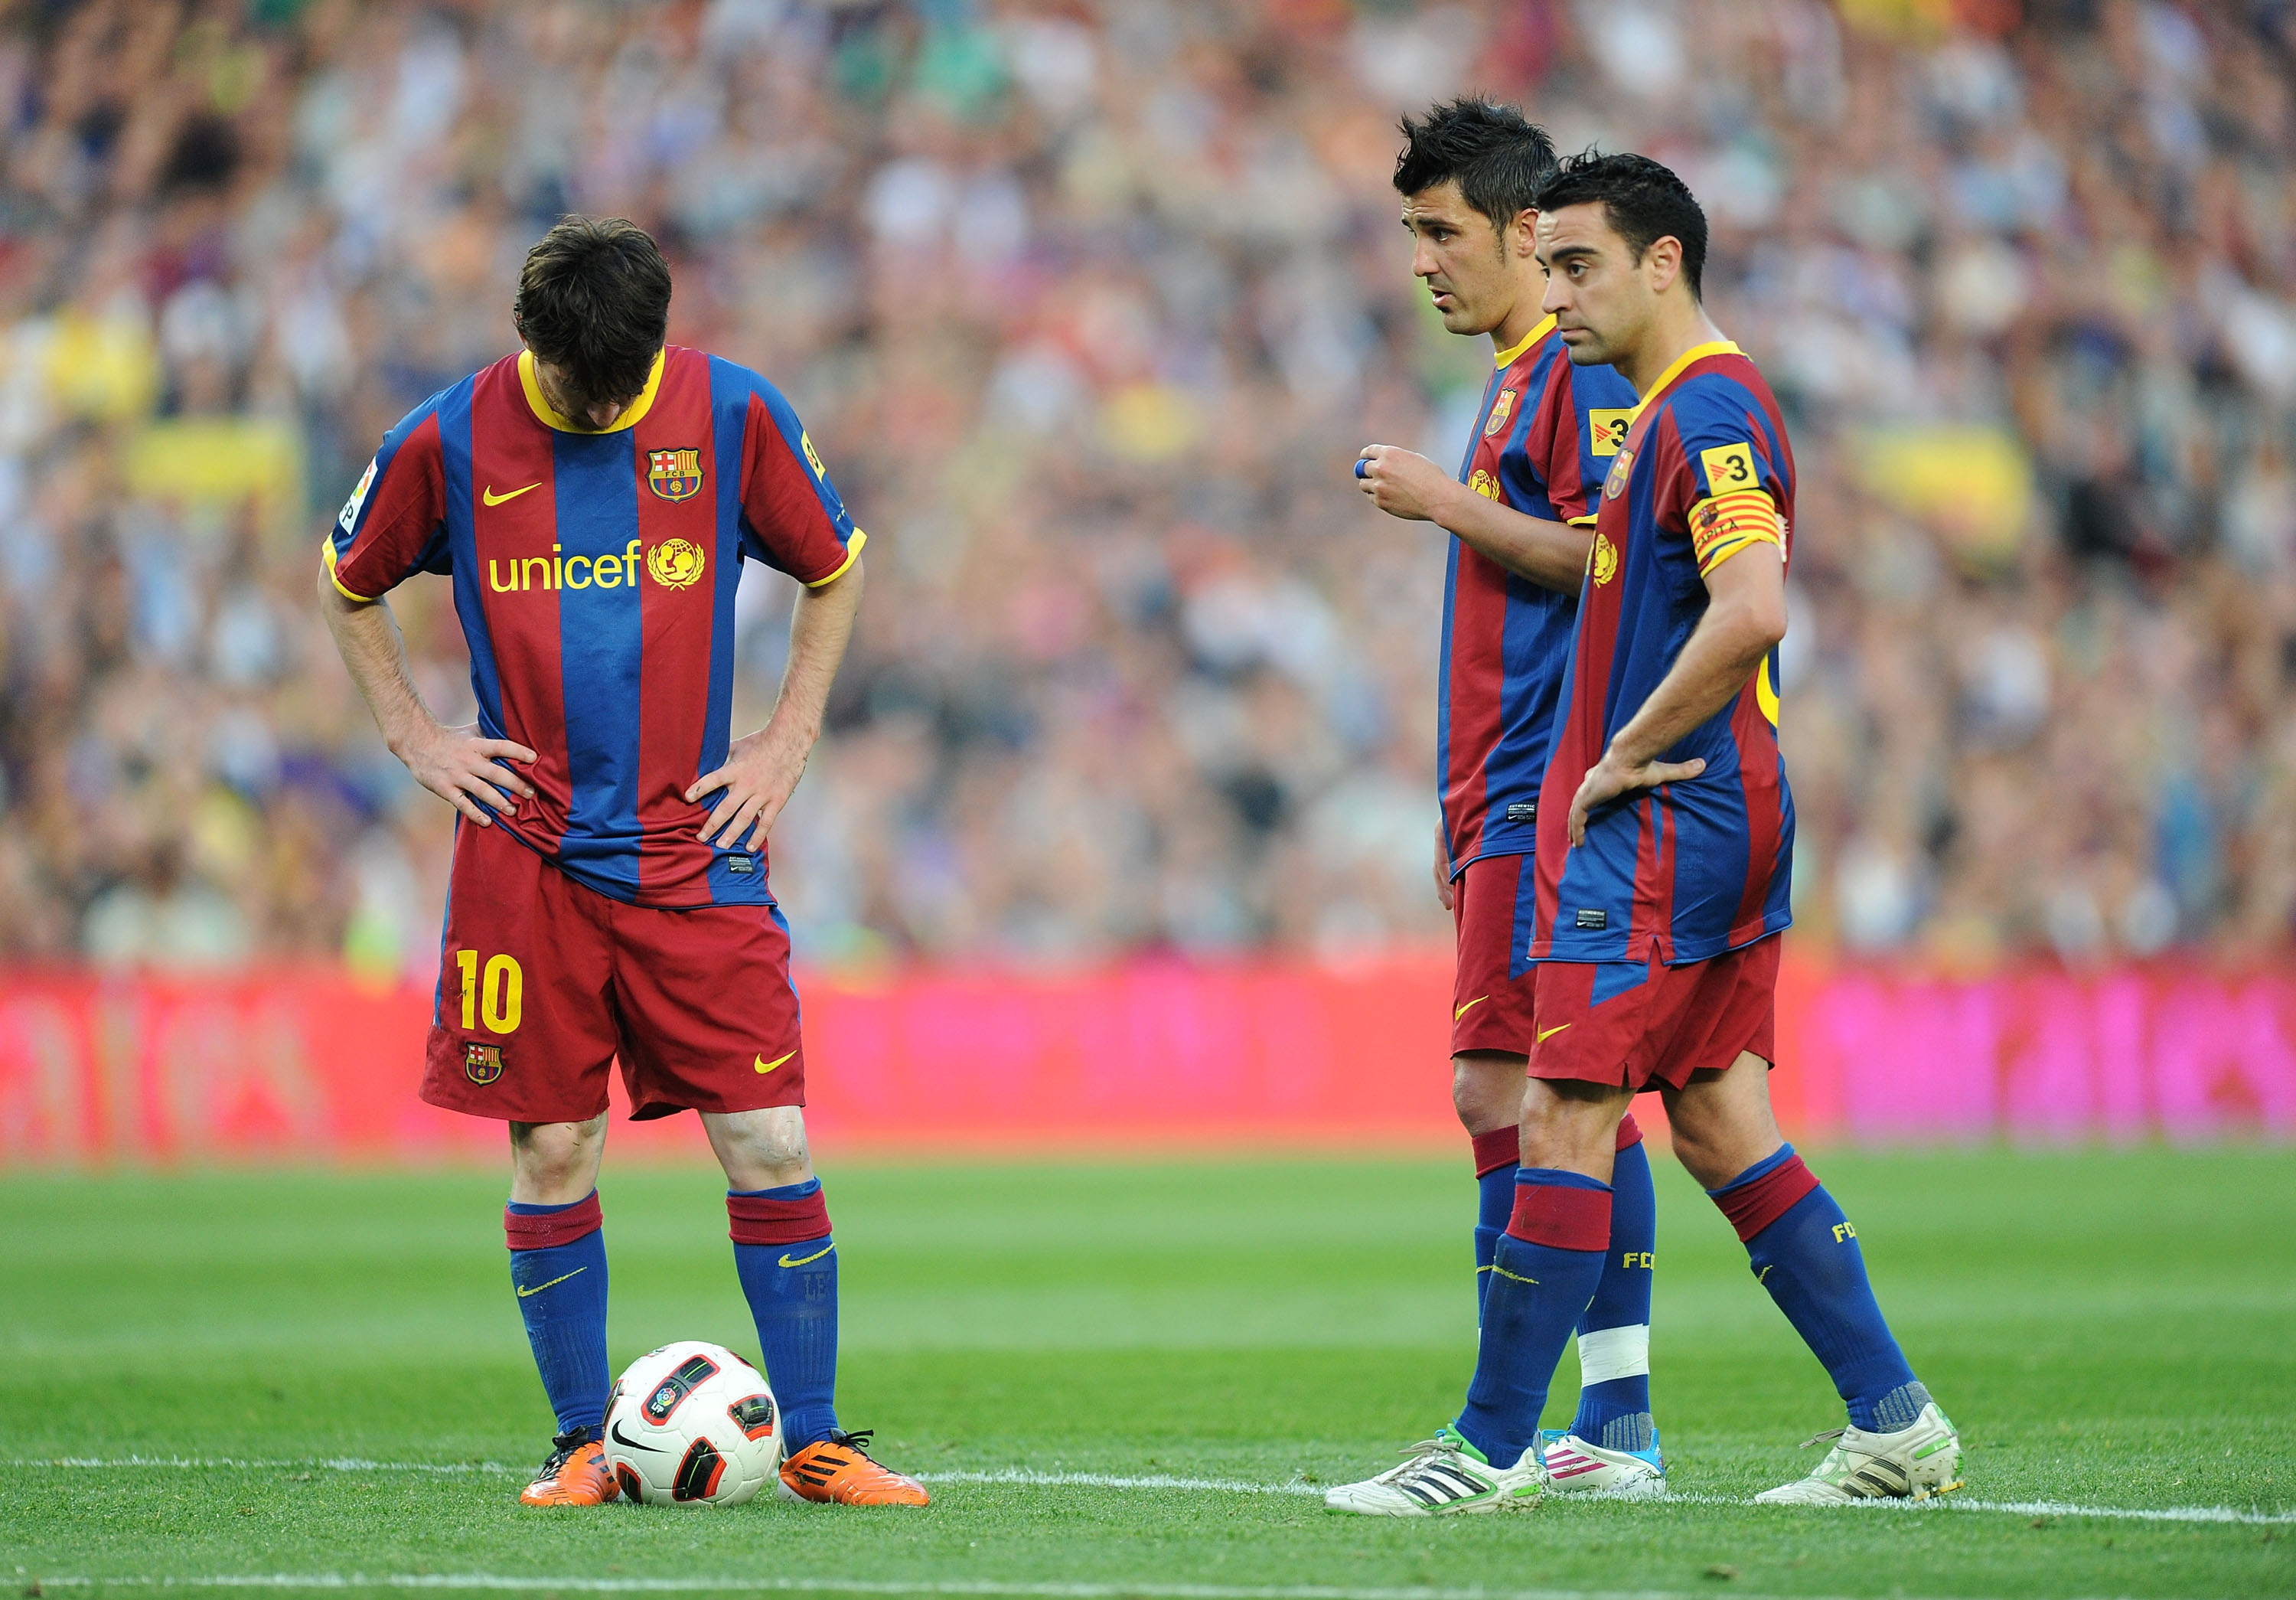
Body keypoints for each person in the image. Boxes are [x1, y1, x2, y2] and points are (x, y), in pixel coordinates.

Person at [1328, 152, 1961, 1516]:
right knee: (1723, 1121)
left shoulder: (1709, 411)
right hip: (1702, 810)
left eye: (1577, 266)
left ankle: (1492, 1446)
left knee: (1561, 1105)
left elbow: (1755, 606)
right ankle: (1895, 1423)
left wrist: (1619, 750)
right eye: (1546, 266)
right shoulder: (1666, 409)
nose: (1553, 294)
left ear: (1661, 262)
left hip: (1669, 815)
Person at [317, 215, 927, 1510]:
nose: (599, 405)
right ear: (526, 338)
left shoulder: (733, 413)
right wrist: (416, 735)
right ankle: (577, 1444)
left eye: (619, 385)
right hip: (525, 855)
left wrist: (785, 739)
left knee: (768, 1135)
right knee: (553, 1147)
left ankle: (814, 1438)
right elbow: (346, 582)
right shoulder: (448, 435)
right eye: (573, 384)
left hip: (696, 848)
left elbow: (838, 567)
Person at [1341, 99, 1662, 1510]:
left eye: (1440, 230)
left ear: (1529, 232)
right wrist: (1457, 801)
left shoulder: (1578, 378)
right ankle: (1601, 1426)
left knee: (1536, 1089)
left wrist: (1439, 501)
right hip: (1499, 793)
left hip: (1549, 789)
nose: (1421, 260)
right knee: (1543, 1090)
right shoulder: (1510, 376)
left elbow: (1606, 557)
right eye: (1412, 231)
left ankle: (1541, 1431)